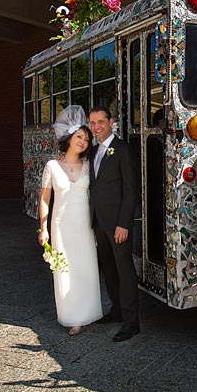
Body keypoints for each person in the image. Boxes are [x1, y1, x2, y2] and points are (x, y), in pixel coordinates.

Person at [38, 105, 103, 336]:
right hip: (60, 225)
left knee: (85, 267)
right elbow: (45, 199)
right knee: (65, 270)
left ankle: (89, 312)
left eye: (86, 138)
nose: (83, 141)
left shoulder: (89, 164)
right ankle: (73, 317)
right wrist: (43, 228)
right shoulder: (52, 166)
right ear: (68, 138)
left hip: (84, 225)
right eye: (79, 137)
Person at [88, 106, 140, 342]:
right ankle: (116, 309)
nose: (96, 127)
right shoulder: (93, 152)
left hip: (118, 223)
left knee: (124, 269)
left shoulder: (123, 150)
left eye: (100, 121)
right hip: (98, 220)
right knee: (107, 267)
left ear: (111, 122)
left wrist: (124, 224)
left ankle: (132, 322)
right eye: (92, 123)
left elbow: (131, 192)